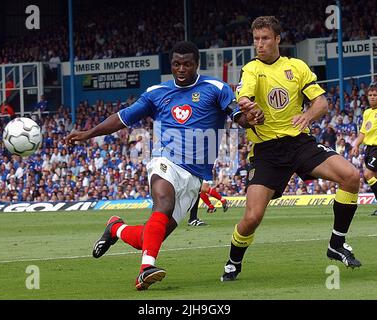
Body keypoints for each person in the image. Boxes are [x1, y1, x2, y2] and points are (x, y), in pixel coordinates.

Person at [65, 41, 264, 291]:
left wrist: (251, 118)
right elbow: (122, 118)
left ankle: (115, 228)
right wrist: (89, 133)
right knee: (164, 204)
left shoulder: (216, 88)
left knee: (148, 236)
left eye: (187, 64)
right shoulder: (156, 92)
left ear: (196, 65)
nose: (181, 69)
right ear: (171, 65)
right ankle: (146, 269)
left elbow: (238, 116)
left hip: (194, 176)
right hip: (164, 160)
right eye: (177, 64)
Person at [220, 16, 362, 282]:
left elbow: (321, 102)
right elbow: (243, 98)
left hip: (299, 144)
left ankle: (336, 244)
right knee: (252, 217)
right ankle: (233, 262)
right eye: (256, 40)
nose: (259, 45)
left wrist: (307, 117)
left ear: (277, 39)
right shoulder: (251, 69)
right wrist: (250, 108)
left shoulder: (296, 66)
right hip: (267, 151)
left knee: (351, 176)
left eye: (265, 39)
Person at [350, 82, 377, 215]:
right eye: (370, 95)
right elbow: (363, 132)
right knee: (373, 176)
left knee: (368, 174)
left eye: (375, 95)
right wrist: (355, 144)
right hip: (369, 149)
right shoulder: (367, 113)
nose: (372, 97)